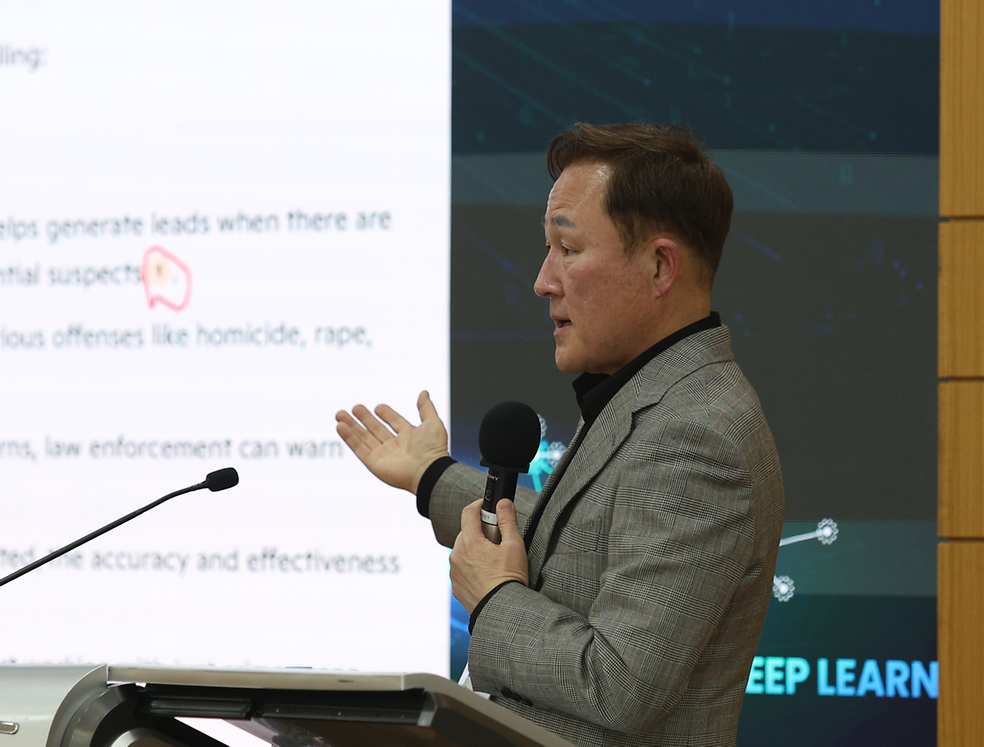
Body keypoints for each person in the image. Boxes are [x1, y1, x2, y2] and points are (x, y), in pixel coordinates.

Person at [335, 122, 784, 747]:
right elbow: (579, 540)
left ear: (660, 266)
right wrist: (432, 476)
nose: (543, 280)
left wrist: (493, 598)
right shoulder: (658, 393)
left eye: (567, 249)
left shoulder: (697, 433)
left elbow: (619, 683)